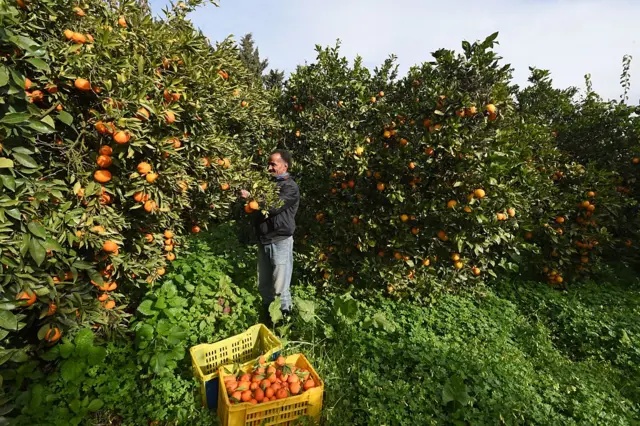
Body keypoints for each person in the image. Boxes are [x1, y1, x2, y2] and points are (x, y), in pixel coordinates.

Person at [240, 150, 299, 325]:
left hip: (280, 240)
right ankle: (268, 320)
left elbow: (274, 206)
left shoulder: (290, 187)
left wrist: (251, 198)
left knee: (280, 287)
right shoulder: (268, 184)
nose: (269, 167)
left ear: (285, 165)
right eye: (269, 164)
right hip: (264, 239)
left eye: (273, 164)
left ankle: (283, 324)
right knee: (264, 284)